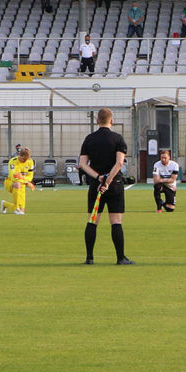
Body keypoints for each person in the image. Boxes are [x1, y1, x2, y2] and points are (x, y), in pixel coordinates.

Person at [78, 108, 133, 265]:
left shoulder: (89, 139)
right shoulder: (117, 139)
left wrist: (99, 178)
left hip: (96, 185)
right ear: (111, 120)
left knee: (92, 220)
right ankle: (120, 257)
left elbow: (83, 164)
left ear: (97, 120)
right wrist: (108, 180)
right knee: (116, 221)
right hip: (114, 185)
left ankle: (89, 257)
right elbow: (119, 163)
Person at [0, 147, 34, 215]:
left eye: (26, 159)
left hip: (22, 184)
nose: (25, 161)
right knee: (17, 184)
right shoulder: (13, 161)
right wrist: (26, 181)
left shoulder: (30, 162)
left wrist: (24, 180)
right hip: (10, 182)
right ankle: (16, 209)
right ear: (20, 155)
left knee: (22, 210)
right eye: (24, 159)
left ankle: (5, 204)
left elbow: (30, 176)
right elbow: (13, 177)